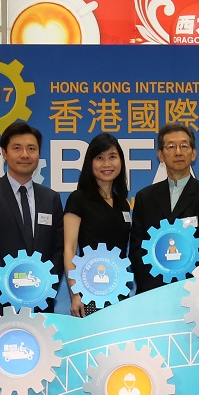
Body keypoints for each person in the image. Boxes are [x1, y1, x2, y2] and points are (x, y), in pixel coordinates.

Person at [0, 121, 64, 316]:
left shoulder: (51, 198)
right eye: (17, 148)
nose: (24, 155)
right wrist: (11, 286)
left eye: (31, 148)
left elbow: (58, 250)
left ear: (39, 153)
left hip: (41, 303)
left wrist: (43, 287)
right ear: (4, 153)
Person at [129, 123, 199, 293]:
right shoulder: (145, 197)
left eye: (184, 146)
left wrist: (188, 285)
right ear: (160, 155)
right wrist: (153, 287)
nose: (178, 152)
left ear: (193, 153)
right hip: (153, 292)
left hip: (195, 290)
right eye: (171, 147)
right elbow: (138, 249)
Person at [64, 133, 132, 316]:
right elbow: (69, 248)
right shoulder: (78, 199)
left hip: (119, 290)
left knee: (120, 343)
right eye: (100, 158)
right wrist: (75, 293)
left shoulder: (122, 204)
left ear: (121, 161)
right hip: (89, 291)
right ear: (90, 163)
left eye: (112, 157)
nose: (107, 164)